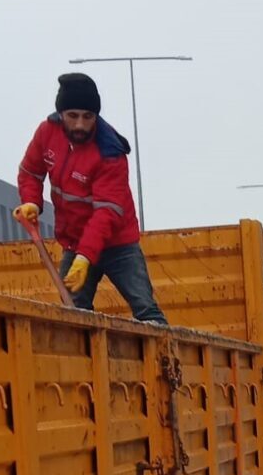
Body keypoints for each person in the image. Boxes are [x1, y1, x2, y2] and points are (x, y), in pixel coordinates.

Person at [15, 73, 167, 324]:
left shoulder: (110, 152)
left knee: (146, 310)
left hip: (119, 245)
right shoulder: (47, 133)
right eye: (72, 116)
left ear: (96, 116)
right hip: (74, 243)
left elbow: (106, 213)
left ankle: (164, 355)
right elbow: (30, 172)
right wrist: (32, 201)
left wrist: (85, 257)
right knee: (74, 317)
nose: (79, 125)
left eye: (88, 117)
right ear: (60, 113)